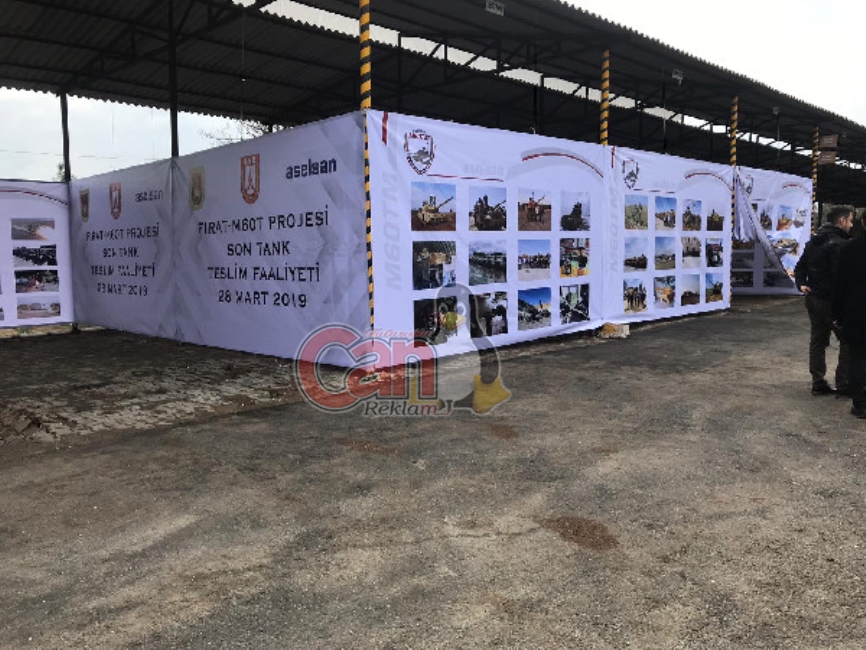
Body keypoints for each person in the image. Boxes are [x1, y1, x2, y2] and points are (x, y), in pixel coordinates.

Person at [794, 205, 855, 395]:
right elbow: (840, 278)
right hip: (833, 301)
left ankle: (818, 382)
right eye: (850, 220)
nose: (852, 225)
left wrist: (801, 284)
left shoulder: (814, 242)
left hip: (814, 299)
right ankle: (844, 383)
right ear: (842, 221)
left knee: (818, 341)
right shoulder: (841, 245)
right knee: (848, 341)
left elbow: (800, 267)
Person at [833, 212, 866, 417]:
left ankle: (861, 403)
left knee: (857, 358)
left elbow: (840, 285)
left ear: (863, 222)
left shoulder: (849, 248)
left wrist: (837, 314)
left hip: (857, 313)